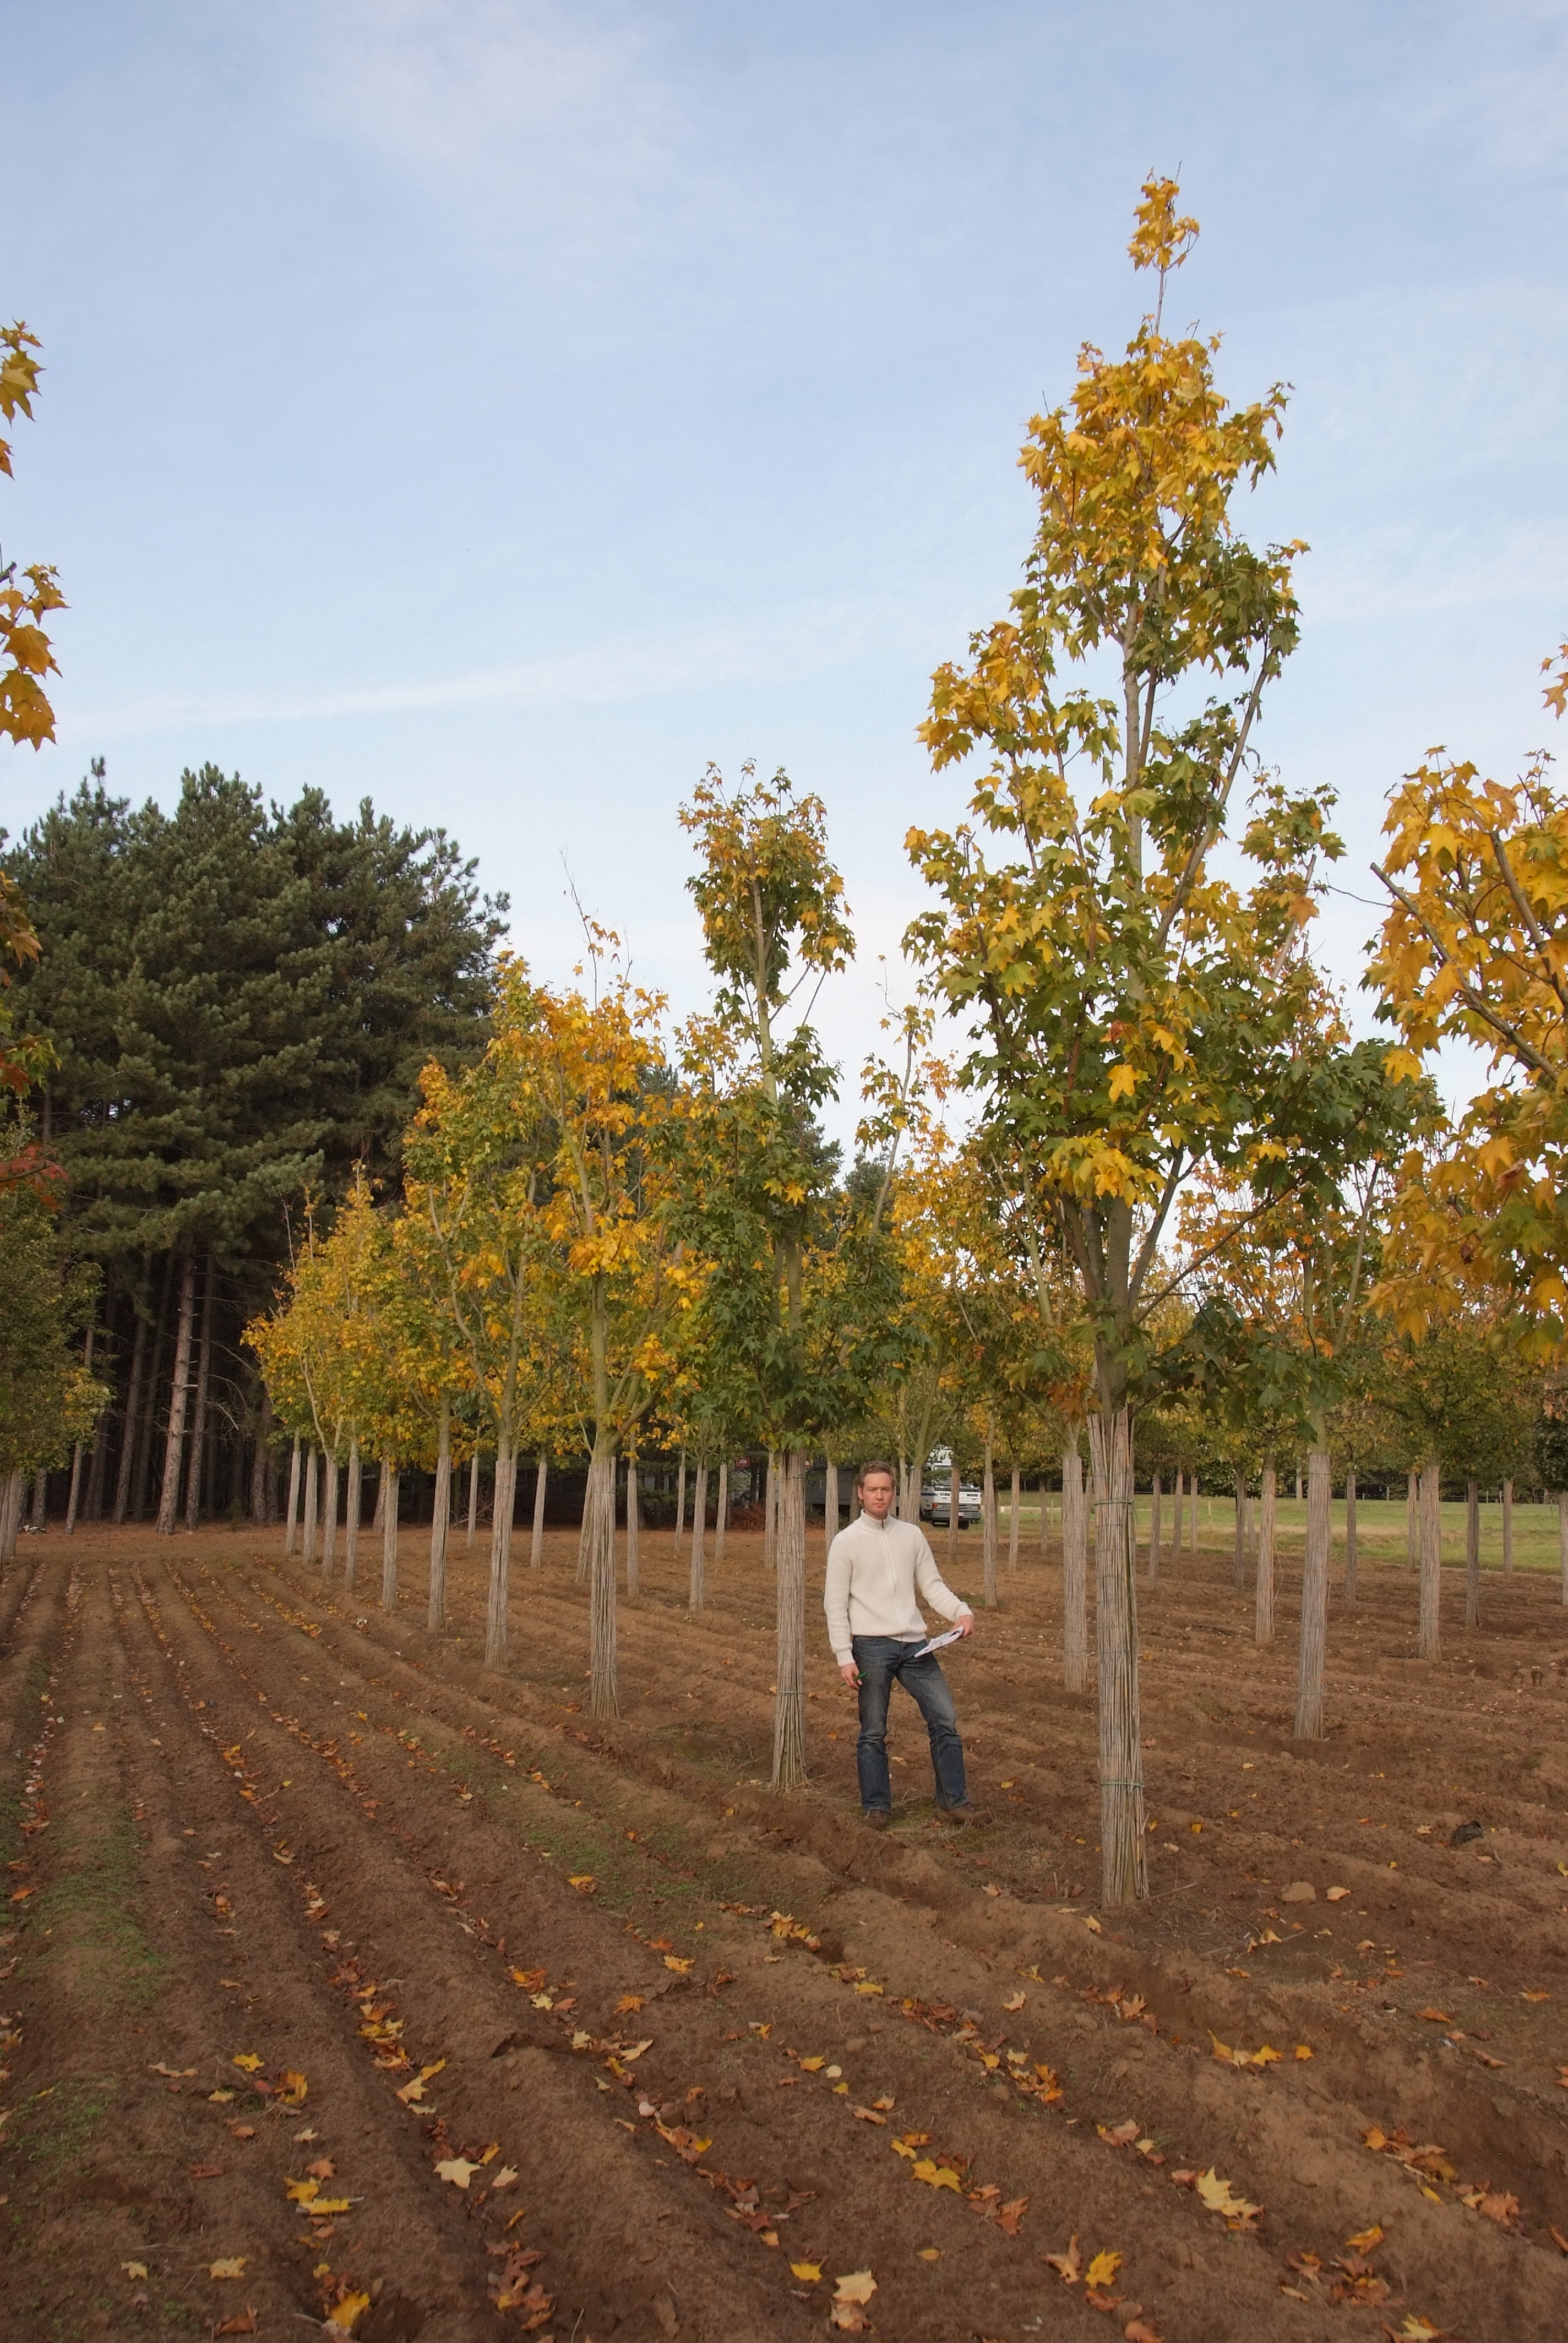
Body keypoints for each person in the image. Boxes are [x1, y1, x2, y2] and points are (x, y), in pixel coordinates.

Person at [824, 1460, 988, 1829]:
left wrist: (961, 1613)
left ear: (893, 1492)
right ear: (861, 1494)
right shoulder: (846, 1543)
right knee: (873, 1730)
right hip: (871, 1647)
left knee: (944, 1718)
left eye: (886, 1489)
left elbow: (932, 1586)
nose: (880, 1496)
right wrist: (843, 1656)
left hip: (916, 1647)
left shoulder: (911, 1536)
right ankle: (877, 1807)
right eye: (873, 1490)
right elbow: (834, 1603)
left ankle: (953, 1802)